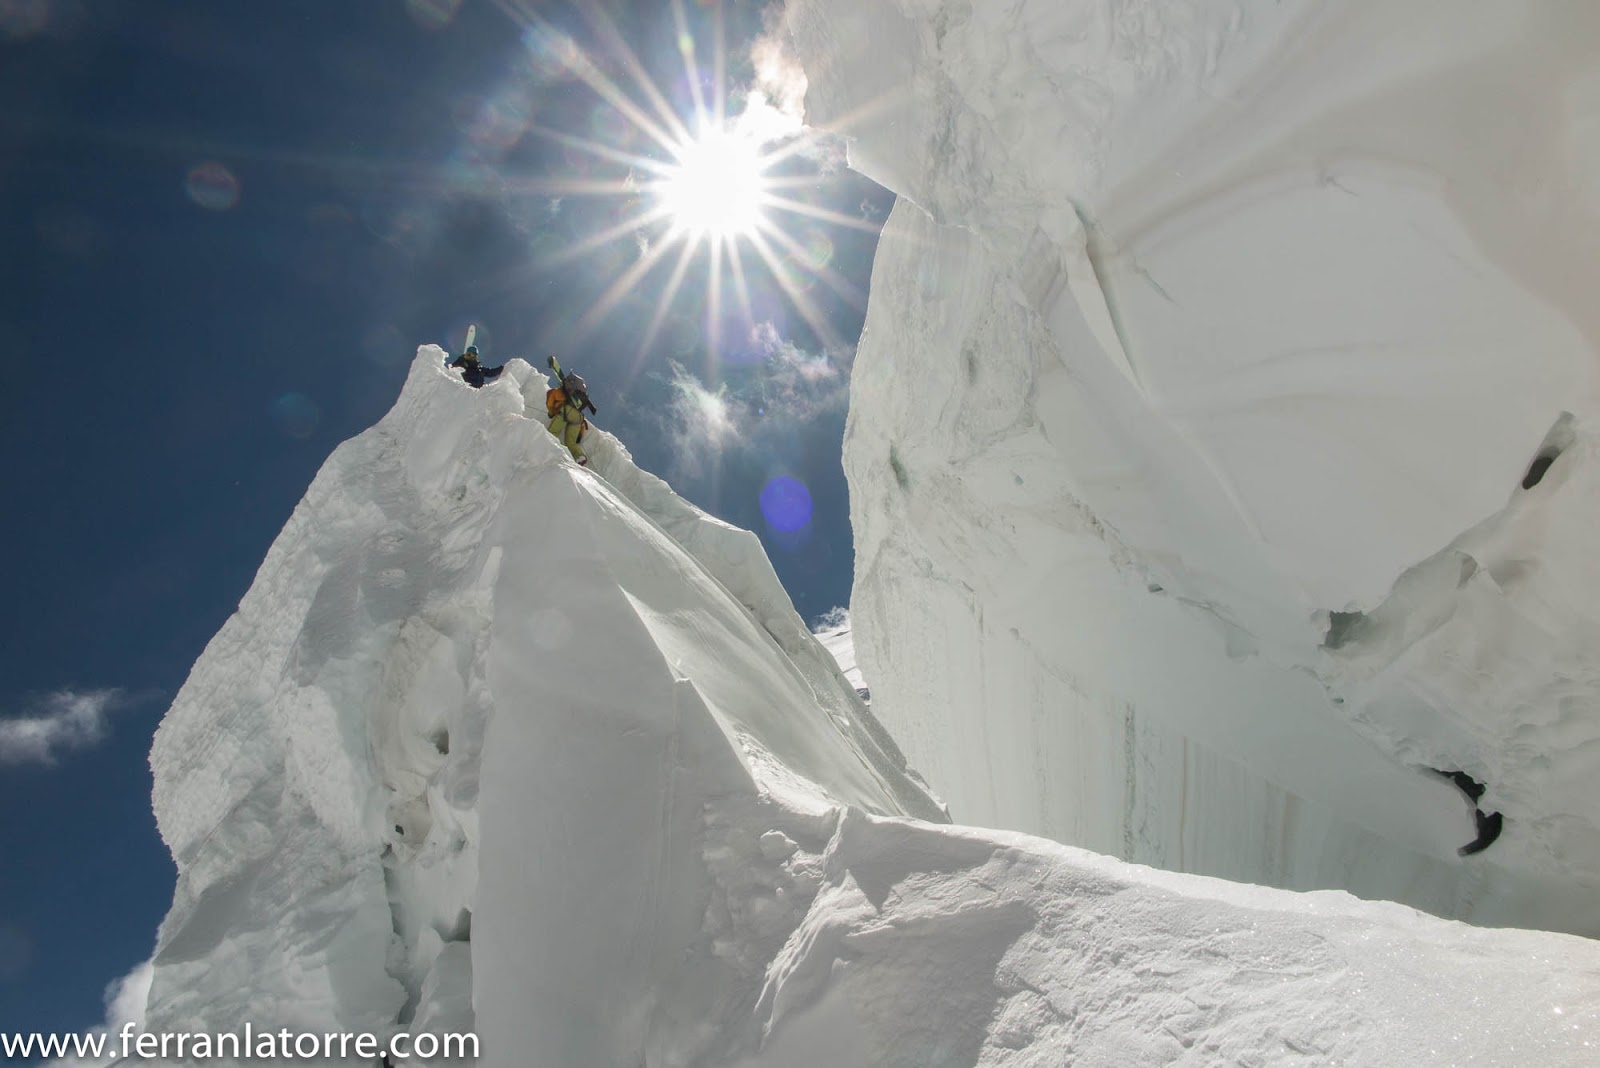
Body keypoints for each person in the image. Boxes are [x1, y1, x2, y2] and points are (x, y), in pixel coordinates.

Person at [545, 355, 598, 465]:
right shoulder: (579, 401)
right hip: (578, 418)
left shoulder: (559, 391)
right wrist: (579, 436)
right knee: (571, 442)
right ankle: (580, 457)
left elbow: (550, 401)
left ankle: (553, 451)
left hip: (566, 411)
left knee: (552, 433)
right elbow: (582, 424)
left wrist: (551, 413)